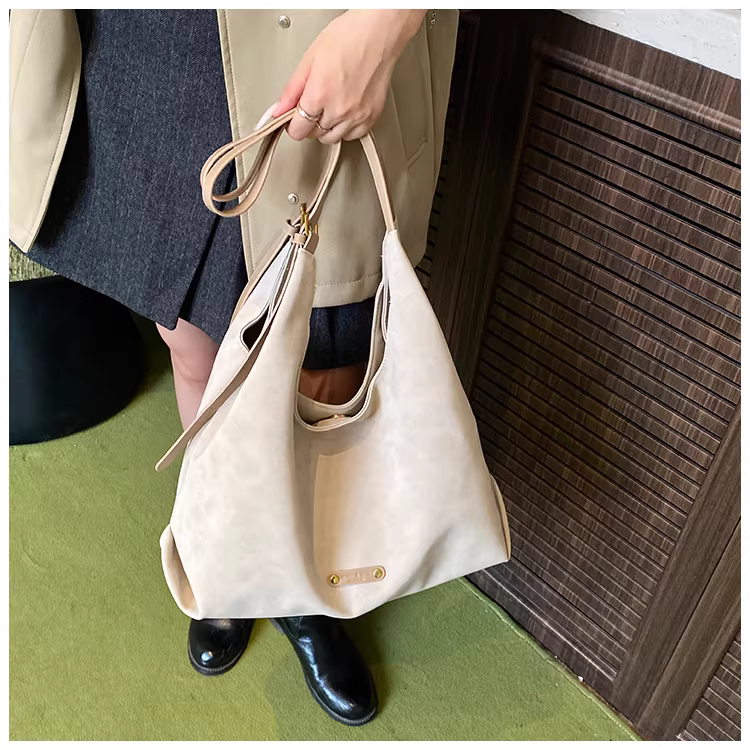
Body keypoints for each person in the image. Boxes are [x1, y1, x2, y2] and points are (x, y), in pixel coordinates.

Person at [9, 9, 457, 726]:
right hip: (160, 45)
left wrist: (385, 22)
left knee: (325, 363)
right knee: (192, 346)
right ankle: (224, 555)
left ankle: (305, 589)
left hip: (317, 39)